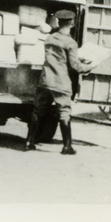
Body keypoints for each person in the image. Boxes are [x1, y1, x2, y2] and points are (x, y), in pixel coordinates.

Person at [25, 9, 96, 153]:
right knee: (64, 111)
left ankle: (28, 142)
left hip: (45, 80)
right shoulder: (71, 43)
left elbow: (57, 56)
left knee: (37, 110)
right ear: (72, 23)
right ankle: (67, 146)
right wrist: (90, 66)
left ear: (58, 22)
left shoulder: (49, 38)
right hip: (60, 81)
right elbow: (76, 67)